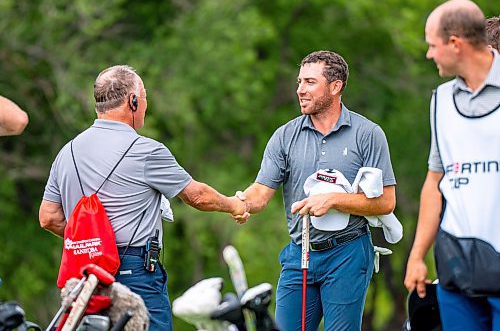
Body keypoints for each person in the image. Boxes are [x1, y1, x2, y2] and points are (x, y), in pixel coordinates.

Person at [38, 65, 247, 331]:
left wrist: (96, 243)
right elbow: (196, 195)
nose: (146, 105)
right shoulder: (146, 150)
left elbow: (48, 217)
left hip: (83, 275)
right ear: (133, 101)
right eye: (145, 97)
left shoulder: (66, 153)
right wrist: (234, 205)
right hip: (135, 273)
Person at [233, 50, 396, 330]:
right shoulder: (284, 136)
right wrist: (239, 202)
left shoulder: (367, 134)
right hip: (300, 252)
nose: (300, 90)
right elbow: (260, 193)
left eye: (309, 82)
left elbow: (385, 202)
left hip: (348, 251)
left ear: (335, 86)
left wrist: (333, 200)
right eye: (299, 82)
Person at [404, 0, 500, 330]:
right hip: (456, 271)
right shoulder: (440, 101)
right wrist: (417, 256)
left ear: (455, 44)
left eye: (433, 45)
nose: (429, 54)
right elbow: (435, 183)